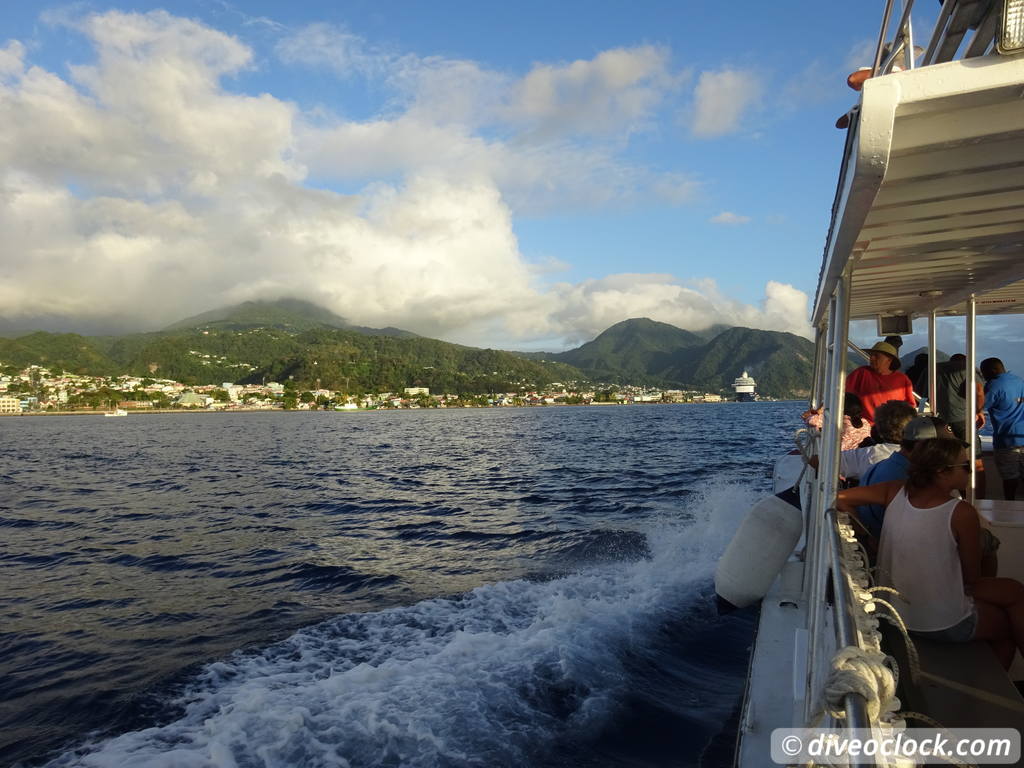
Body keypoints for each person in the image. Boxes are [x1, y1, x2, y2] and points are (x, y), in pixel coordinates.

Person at [837, 439, 1024, 669]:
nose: (971, 471)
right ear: (942, 472)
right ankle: (997, 694)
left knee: (1014, 590)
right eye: (965, 466)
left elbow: (841, 498)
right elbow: (971, 577)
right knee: (1007, 626)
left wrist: (867, 536)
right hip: (939, 622)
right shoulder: (961, 512)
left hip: (892, 610)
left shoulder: (894, 490)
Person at [934, 353, 986, 496]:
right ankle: (978, 498)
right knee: (975, 461)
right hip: (963, 421)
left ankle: (959, 497)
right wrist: (979, 411)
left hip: (940, 423)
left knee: (947, 461)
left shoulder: (935, 369)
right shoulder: (967, 368)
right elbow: (979, 391)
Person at [980, 357, 1024, 500]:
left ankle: (1009, 505)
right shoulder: (1019, 381)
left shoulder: (993, 385)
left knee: (1010, 478)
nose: (983, 377)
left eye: (983, 373)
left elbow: (979, 407)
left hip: (1006, 440)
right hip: (1021, 436)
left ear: (992, 371)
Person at [846, 341, 916, 422]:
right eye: (871, 355)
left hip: (890, 428)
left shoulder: (903, 379)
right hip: (864, 428)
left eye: (876, 356)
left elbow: (910, 406)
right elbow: (843, 396)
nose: (871, 358)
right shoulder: (861, 373)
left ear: (889, 360)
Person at [801, 392, 872, 451]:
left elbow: (806, 417)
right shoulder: (866, 423)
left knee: (813, 459)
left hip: (841, 460)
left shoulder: (837, 421)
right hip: (861, 458)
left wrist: (820, 409)